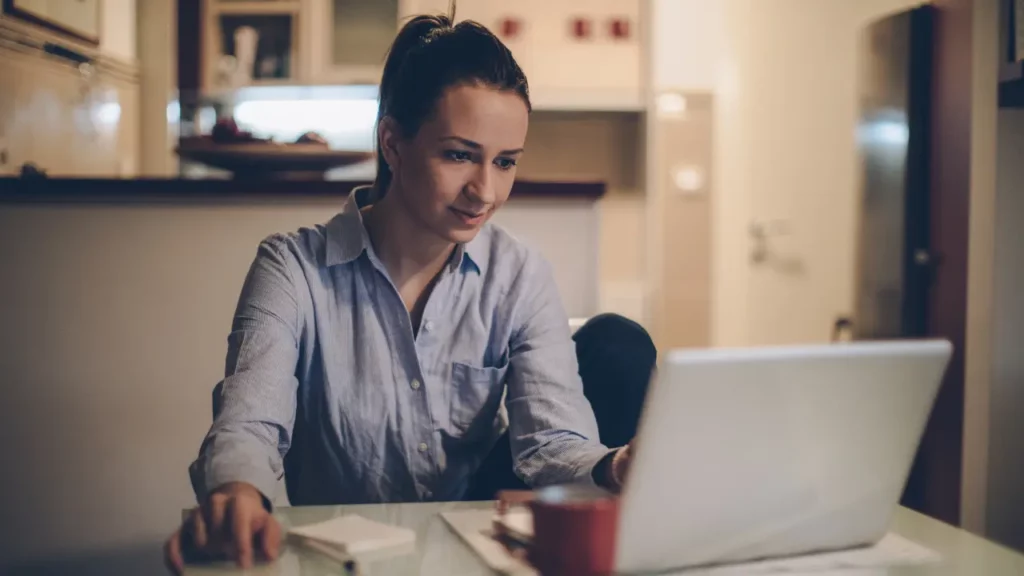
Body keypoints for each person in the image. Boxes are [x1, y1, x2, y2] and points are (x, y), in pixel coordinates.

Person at [164, 6, 656, 574]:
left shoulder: (519, 274)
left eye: (505, 162)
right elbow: (250, 421)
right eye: (458, 155)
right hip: (345, 551)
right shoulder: (293, 266)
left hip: (478, 524)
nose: (485, 190)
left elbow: (552, 442)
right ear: (393, 144)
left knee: (617, 342)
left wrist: (614, 464)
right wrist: (238, 493)